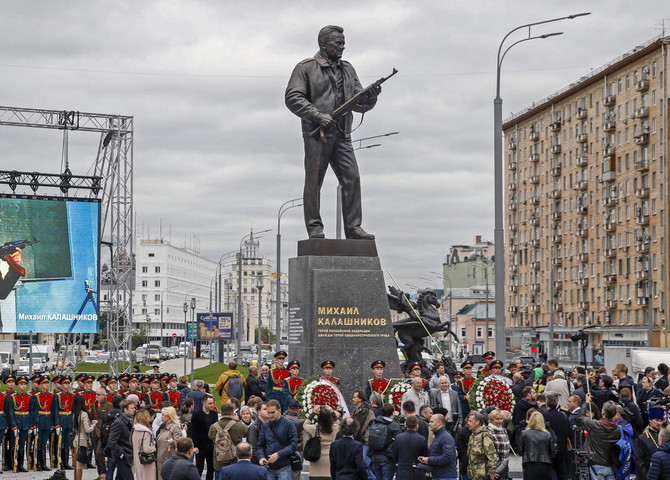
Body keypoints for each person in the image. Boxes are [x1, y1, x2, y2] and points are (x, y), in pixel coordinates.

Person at [285, 25, 380, 240]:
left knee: (352, 178)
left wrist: (371, 97)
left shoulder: (348, 69)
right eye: (338, 43)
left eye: (344, 43)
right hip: (318, 134)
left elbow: (358, 101)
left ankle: (354, 228)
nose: (342, 47)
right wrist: (317, 115)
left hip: (342, 134)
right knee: (314, 182)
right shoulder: (306, 68)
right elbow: (293, 97)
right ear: (323, 44)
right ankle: (314, 227)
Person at [575, 400, 621, 479]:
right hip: (610, 465)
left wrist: (586, 403)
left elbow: (580, 417)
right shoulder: (617, 429)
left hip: (596, 464)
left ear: (603, 413)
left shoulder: (595, 425)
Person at [257, 399, 298, 480]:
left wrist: (278, 454)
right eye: (268, 413)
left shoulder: (288, 424)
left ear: (279, 410)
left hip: (284, 467)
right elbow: (260, 445)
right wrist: (261, 457)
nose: (270, 415)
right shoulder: (265, 425)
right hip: (269, 468)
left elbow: (293, 445)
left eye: (273, 412)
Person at [208, 402, 248, 473]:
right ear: (233, 413)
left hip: (219, 461)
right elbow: (247, 433)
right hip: (234, 461)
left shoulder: (213, 427)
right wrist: (237, 421)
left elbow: (210, 437)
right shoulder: (239, 426)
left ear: (222, 412)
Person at [303, 404, 340, 479]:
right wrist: (332, 412)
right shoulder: (334, 429)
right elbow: (339, 423)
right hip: (329, 459)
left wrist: (313, 413)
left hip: (316, 458)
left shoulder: (315, 429)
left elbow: (305, 424)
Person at [418, 413, 458, 480]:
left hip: (445, 477)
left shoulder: (446, 438)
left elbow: (447, 458)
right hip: (439, 475)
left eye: (432, 422)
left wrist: (428, 460)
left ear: (439, 423)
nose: (429, 424)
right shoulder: (438, 437)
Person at [367, 403, 401, 480]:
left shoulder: (375, 423)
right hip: (387, 457)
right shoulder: (394, 425)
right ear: (393, 413)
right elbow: (398, 441)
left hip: (374, 455)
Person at [518, 411, 556, 480]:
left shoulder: (524, 433)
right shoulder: (547, 434)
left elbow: (520, 451)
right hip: (545, 463)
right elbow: (553, 452)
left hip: (530, 462)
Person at [8, 375, 33, 472]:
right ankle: (14, 463)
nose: (23, 386)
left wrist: (31, 426)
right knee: (14, 445)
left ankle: (21, 464)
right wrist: (14, 426)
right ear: (18, 386)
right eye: (21, 384)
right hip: (17, 423)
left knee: (22, 444)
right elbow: (11, 413)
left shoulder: (29, 397)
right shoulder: (13, 397)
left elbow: (31, 412)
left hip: (25, 423)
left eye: (24, 384)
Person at [108, 399, 137, 480]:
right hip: (123, 457)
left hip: (128, 455)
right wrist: (121, 454)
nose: (134, 410)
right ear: (125, 410)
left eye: (134, 408)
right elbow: (112, 442)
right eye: (132, 408)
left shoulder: (130, 420)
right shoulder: (119, 423)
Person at [392, 415, 429, 480]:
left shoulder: (398, 438)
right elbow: (425, 455)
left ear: (405, 424)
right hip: (417, 471)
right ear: (417, 425)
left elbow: (394, 455)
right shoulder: (422, 439)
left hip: (402, 470)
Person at [191, 393, 218, 480]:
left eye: (212, 403)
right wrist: (195, 446)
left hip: (211, 445)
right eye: (209, 403)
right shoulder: (197, 414)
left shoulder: (214, 414)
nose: (211, 405)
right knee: (199, 468)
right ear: (204, 403)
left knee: (211, 468)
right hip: (200, 446)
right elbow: (193, 431)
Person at [542, 395, 569, 480]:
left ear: (547, 405)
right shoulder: (563, 416)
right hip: (562, 448)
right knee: (562, 473)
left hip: (548, 449)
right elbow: (567, 431)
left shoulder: (545, 416)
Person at [32, 375, 55, 472]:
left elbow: (53, 411)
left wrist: (54, 424)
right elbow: (33, 412)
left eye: (47, 383)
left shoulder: (51, 395)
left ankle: (44, 463)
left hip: (47, 421)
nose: (46, 385)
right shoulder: (36, 396)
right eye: (44, 383)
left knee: (45, 443)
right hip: (40, 421)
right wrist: (34, 425)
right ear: (41, 385)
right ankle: (37, 463)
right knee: (38, 443)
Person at [635, 406, 666, 480]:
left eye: (661, 420)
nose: (659, 423)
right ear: (650, 420)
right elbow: (639, 461)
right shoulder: (643, 438)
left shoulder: (665, 435)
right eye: (657, 420)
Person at [465, 412, 497, 480]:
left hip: (482, 475)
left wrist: (492, 470)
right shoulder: (473, 435)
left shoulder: (484, 435)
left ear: (477, 422)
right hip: (473, 474)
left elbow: (491, 454)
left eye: (470, 421)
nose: (468, 423)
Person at [156, 406, 184, 480]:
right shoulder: (163, 427)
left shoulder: (175, 428)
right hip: (160, 460)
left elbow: (179, 443)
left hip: (168, 461)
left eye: (163, 415)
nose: (161, 417)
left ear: (169, 416)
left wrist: (173, 442)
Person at [74, 394, 97, 473]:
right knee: (80, 466)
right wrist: (93, 426)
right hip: (83, 439)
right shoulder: (84, 414)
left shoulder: (75, 414)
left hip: (77, 438)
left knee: (77, 465)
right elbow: (87, 430)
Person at [92, 387, 112, 478]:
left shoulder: (108, 405)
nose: (97, 396)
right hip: (95, 431)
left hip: (103, 432)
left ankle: (103, 473)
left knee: (99, 452)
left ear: (104, 395)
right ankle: (100, 473)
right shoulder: (94, 404)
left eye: (99, 394)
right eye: (96, 394)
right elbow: (92, 416)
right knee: (96, 454)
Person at [131, 408, 157, 480]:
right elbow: (146, 449)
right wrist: (154, 447)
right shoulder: (146, 432)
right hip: (146, 461)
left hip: (137, 459)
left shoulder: (135, 430)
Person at [486, 409, 510, 478]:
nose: (500, 421)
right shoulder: (488, 431)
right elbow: (489, 452)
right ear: (491, 420)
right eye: (497, 419)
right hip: (494, 468)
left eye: (501, 419)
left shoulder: (504, 430)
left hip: (504, 466)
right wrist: (492, 469)